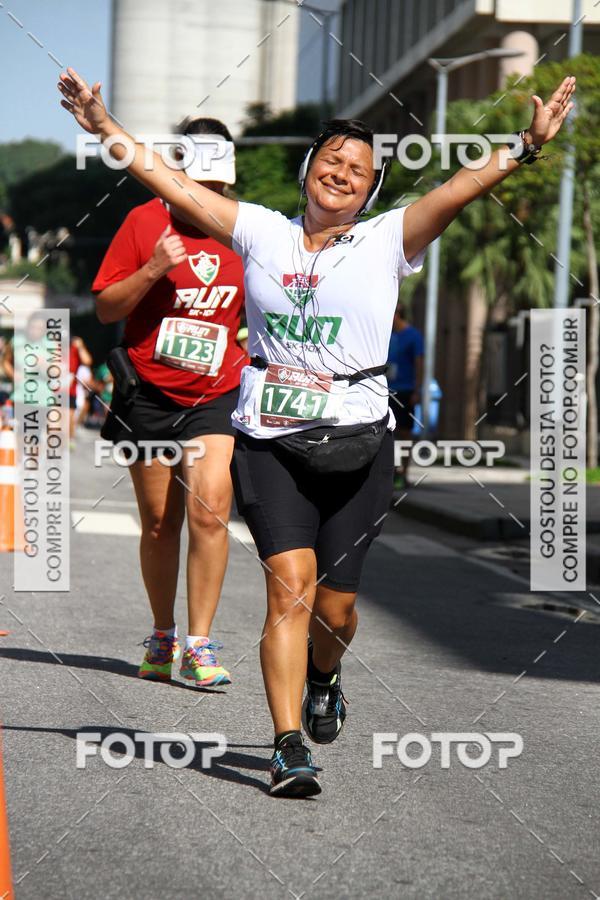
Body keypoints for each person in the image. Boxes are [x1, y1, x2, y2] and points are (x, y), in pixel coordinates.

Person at [59, 66, 575, 797]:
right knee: (289, 591)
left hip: (359, 443)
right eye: (331, 160)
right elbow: (173, 186)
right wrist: (107, 131)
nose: (342, 171)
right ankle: (287, 744)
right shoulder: (260, 230)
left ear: (369, 190)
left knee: (335, 609)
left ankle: (324, 677)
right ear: (308, 173)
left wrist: (525, 144)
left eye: (358, 169)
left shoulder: (390, 238)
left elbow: (460, 186)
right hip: (271, 440)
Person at [91, 116, 247, 688]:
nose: (210, 198)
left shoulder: (244, 230)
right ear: (176, 172)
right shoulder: (143, 221)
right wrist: (155, 267)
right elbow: (108, 308)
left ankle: (200, 644)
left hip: (215, 393)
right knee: (161, 523)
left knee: (209, 511)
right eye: (198, 183)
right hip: (150, 392)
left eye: (220, 187)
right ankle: (163, 633)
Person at [387, 302, 424, 488]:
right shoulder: (387, 334)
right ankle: (390, 471)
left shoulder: (413, 336)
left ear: (398, 314)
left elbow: (419, 363)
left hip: (405, 390)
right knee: (388, 432)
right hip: (386, 389)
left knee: (404, 432)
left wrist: (417, 390)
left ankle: (404, 472)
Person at [69, 336, 92, 442]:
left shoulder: (74, 349)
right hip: (53, 391)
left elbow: (87, 361)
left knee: (69, 420)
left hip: (71, 391)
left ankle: (69, 441)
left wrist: (81, 346)